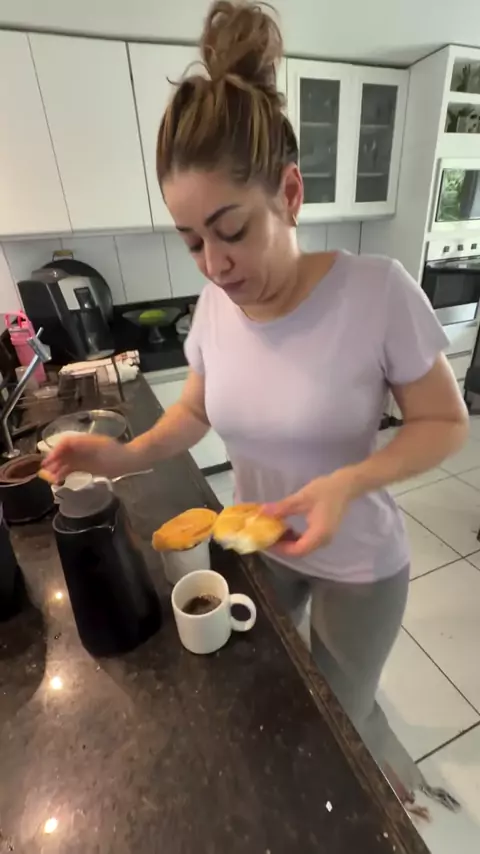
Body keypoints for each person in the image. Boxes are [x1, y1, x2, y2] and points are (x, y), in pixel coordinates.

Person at [44, 0, 467, 814]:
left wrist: (347, 482)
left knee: (340, 713)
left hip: (359, 563)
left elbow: (445, 423)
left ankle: (400, 804)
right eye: (192, 241)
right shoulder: (214, 309)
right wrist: (120, 455)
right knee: (277, 688)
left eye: (229, 229)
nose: (214, 264)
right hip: (262, 542)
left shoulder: (377, 293)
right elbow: (194, 414)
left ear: (290, 193)